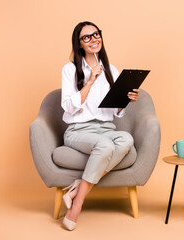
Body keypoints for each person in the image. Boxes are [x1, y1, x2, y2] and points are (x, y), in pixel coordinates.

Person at [60, 21, 139, 231]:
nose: (93, 39)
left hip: (106, 128)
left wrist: (125, 101)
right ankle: (76, 206)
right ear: (79, 45)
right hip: (78, 131)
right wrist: (90, 81)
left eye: (96, 34)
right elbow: (68, 106)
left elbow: (115, 112)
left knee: (126, 140)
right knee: (105, 145)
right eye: (87, 37)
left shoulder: (111, 69)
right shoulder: (70, 70)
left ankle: (79, 187)